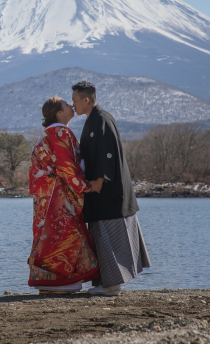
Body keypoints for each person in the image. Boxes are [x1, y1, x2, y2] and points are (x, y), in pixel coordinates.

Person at [71, 81, 151, 297]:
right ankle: (107, 283)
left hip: (109, 193)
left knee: (111, 237)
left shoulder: (102, 119)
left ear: (86, 99)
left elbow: (107, 154)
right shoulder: (91, 120)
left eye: (75, 100)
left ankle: (111, 285)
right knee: (102, 237)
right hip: (100, 196)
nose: (73, 105)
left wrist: (97, 183)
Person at [28, 96, 102, 294]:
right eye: (67, 105)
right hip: (57, 196)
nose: (71, 106)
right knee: (63, 235)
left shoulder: (52, 135)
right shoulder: (60, 133)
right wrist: (87, 186)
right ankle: (61, 282)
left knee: (48, 234)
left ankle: (48, 281)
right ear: (59, 113)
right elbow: (66, 168)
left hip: (46, 195)